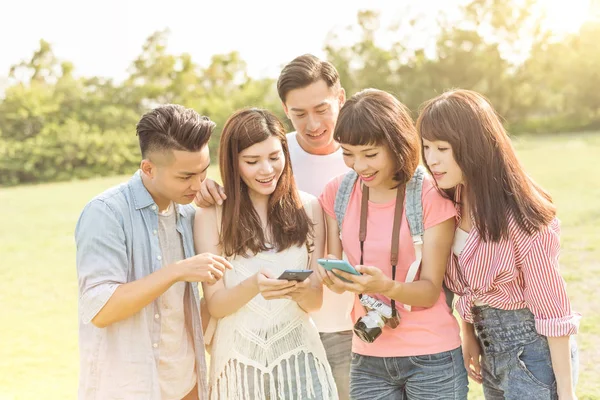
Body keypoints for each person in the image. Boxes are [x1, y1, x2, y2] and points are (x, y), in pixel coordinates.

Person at [196, 54, 354, 399]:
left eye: (321, 109)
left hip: (338, 331)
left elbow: (314, 296)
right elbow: (216, 300)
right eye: (299, 113)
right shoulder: (217, 210)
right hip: (244, 355)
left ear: (340, 97)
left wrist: (301, 289)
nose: (266, 169)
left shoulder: (358, 157)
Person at [417, 89, 580, 400]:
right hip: (490, 348)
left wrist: (568, 393)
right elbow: (466, 289)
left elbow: (553, 309)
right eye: (426, 147)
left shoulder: (522, 217)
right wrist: (469, 334)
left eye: (442, 148)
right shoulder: (451, 202)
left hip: (533, 353)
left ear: (473, 147)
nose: (431, 159)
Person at [319, 88, 468, 399]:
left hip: (432, 357)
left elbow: (429, 292)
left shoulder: (428, 195)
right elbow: (335, 276)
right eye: (348, 153)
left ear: (397, 143)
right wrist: (334, 277)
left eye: (370, 154)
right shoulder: (338, 193)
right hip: (367, 353)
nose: (359, 166)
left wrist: (386, 286)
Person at [75, 104, 232, 399]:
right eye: (186, 176)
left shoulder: (189, 212)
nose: (197, 184)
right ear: (148, 168)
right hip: (128, 389)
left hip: (188, 385)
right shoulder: (106, 213)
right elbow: (100, 309)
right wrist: (175, 272)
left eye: (203, 171)